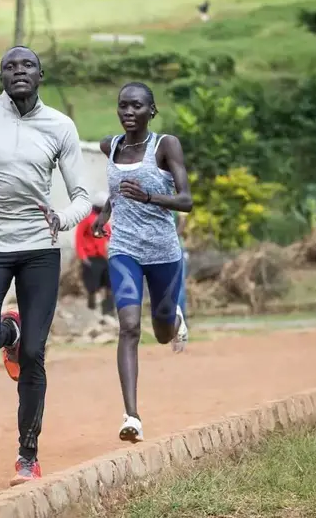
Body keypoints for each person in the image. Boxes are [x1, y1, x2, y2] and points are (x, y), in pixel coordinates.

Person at [0, 45, 91, 486]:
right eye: (10, 66)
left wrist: (61, 219)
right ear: (1, 76)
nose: (19, 71)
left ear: (41, 74)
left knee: (34, 355)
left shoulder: (60, 126)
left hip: (39, 250)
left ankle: (28, 456)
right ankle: (9, 328)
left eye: (27, 65)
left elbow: (82, 196)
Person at [91, 81, 193, 444]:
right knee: (129, 327)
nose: (128, 112)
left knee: (162, 331)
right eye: (122, 106)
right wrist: (105, 215)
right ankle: (131, 415)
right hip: (124, 249)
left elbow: (186, 200)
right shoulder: (111, 146)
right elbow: (119, 191)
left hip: (163, 250)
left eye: (136, 106)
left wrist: (150, 196)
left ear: (152, 110)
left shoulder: (166, 146)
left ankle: (175, 319)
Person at [75, 191, 115, 316]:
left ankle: (108, 312)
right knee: (92, 288)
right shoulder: (87, 220)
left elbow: (109, 236)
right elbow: (79, 239)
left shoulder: (104, 221)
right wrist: (83, 256)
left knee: (109, 286)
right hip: (90, 258)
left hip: (103, 258)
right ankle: (91, 314)